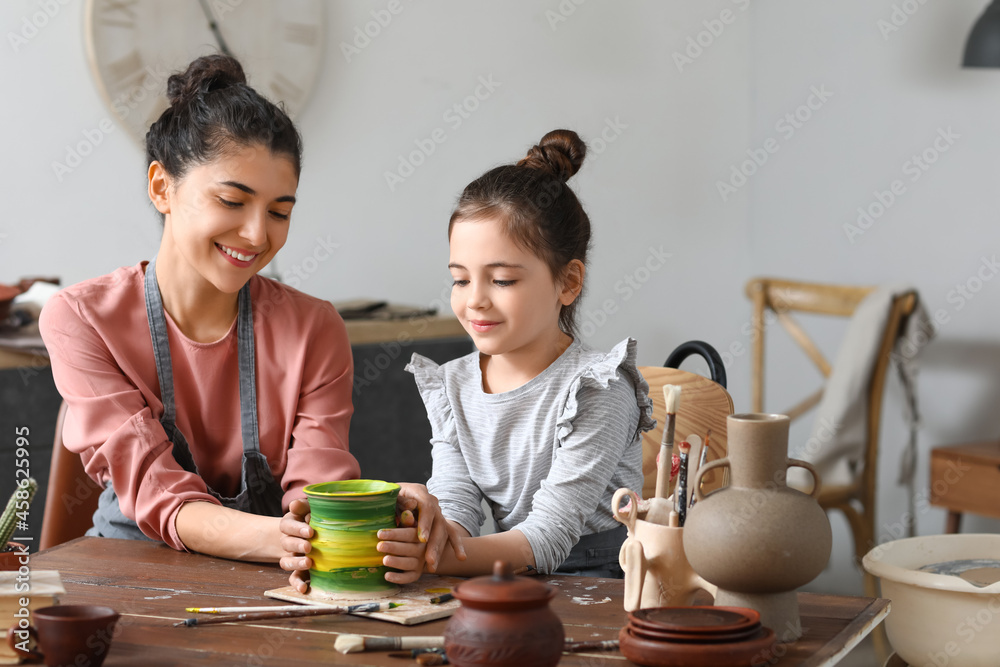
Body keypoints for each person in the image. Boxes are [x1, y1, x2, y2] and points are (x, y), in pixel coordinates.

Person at [39, 54, 458, 583]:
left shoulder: (313, 329)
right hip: (130, 578)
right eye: (233, 201)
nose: (259, 235)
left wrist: (382, 510)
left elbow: (315, 493)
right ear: (162, 187)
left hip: (268, 583)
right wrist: (297, 539)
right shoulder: (81, 318)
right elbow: (156, 492)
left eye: (280, 212)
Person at [389, 129, 655, 577]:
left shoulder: (597, 389)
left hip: (605, 584)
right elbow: (456, 505)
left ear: (568, 283)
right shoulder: (454, 384)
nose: (474, 300)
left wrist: (433, 558)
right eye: (460, 279)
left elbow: (548, 537)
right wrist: (426, 531)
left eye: (502, 280)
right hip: (509, 574)